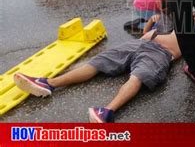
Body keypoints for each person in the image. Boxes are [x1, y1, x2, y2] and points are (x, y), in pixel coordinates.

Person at [13, 14, 181, 123]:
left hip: (160, 53)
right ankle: (48, 83)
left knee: (139, 75)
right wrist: (152, 20)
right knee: (99, 61)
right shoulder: (168, 17)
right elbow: (146, 31)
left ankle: (107, 112)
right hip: (139, 43)